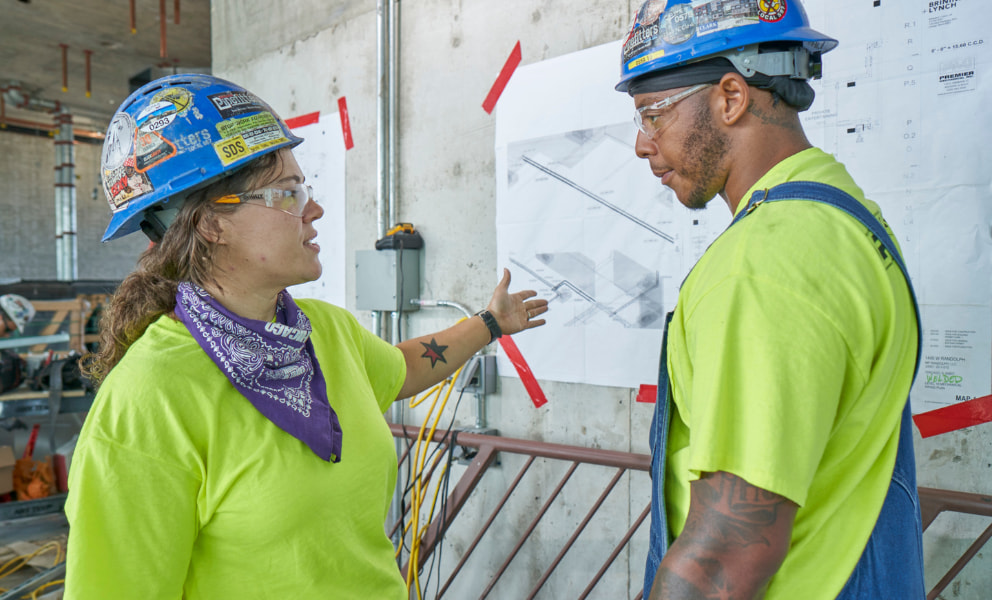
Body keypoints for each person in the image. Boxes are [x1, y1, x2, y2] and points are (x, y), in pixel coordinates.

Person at [64, 74, 548, 598]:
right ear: (210, 224)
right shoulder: (149, 400)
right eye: (286, 194)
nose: (311, 209)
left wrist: (490, 323)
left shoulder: (326, 330)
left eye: (304, 189)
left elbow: (404, 369)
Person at [616, 1, 924, 599]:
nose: (640, 144)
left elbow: (725, 556)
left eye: (653, 115)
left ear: (731, 97)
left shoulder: (765, 263)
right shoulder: (848, 220)